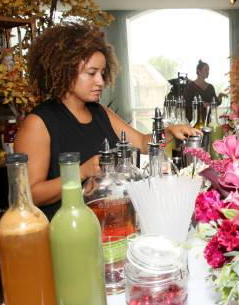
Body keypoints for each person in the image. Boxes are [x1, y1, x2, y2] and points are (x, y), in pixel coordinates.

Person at [15, 22, 200, 219]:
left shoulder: (100, 112)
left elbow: (143, 144)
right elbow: (30, 195)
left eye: (102, 73)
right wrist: (82, 172)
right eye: (91, 73)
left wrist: (170, 132)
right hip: (68, 228)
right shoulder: (38, 123)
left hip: (111, 221)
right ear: (65, 71)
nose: (101, 82)